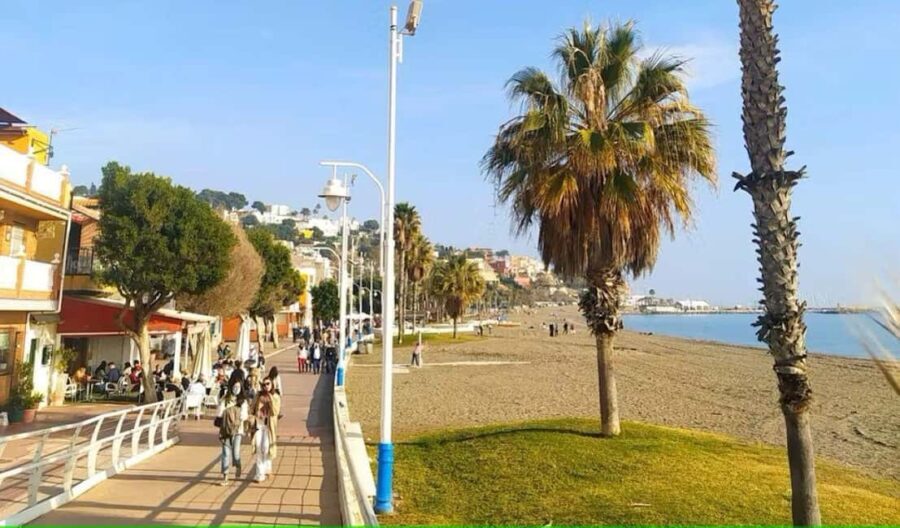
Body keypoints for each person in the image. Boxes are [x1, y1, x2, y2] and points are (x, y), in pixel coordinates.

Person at [217, 379, 248, 486]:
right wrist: (229, 413)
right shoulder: (225, 399)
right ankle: (225, 475)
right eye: (234, 387)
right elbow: (220, 413)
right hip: (226, 430)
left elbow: (244, 416)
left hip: (238, 430)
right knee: (225, 453)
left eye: (238, 387)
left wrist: (233, 414)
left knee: (236, 452)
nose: (236, 389)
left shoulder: (243, 401)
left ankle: (238, 465)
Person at [250, 377, 280, 483]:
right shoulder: (258, 396)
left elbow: (275, 411)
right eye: (264, 384)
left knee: (266, 447)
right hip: (259, 424)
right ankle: (259, 474)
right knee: (258, 447)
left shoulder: (275, 396)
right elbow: (252, 408)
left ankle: (267, 466)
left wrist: (270, 397)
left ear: (272, 385)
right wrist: (253, 415)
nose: (266, 386)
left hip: (269, 426)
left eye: (268, 384)